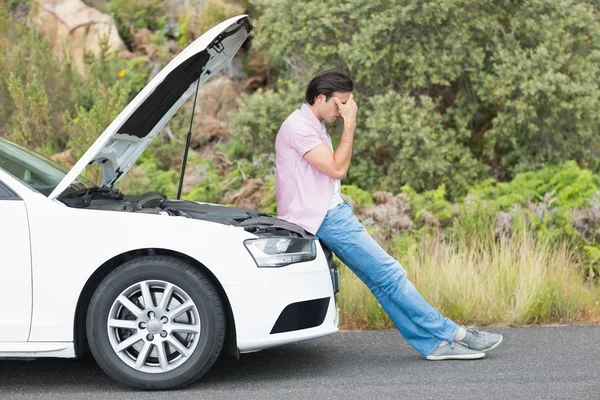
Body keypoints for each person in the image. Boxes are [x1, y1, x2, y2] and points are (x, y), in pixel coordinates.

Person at [274, 70, 503, 360]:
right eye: (340, 104)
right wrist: (351, 124)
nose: (343, 110)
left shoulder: (314, 125)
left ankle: (433, 346)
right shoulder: (298, 126)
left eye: (347, 105)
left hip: (327, 212)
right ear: (320, 97)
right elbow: (337, 169)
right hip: (325, 217)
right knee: (391, 276)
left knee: (382, 282)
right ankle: (455, 333)